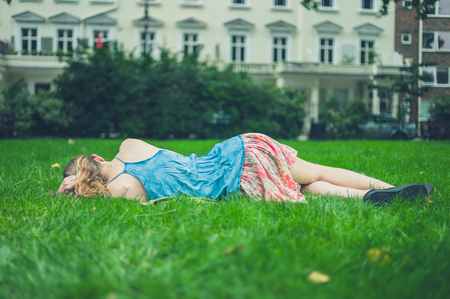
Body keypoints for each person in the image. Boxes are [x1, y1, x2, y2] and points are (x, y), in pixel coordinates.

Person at [58, 133, 433, 205]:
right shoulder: (129, 147)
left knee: (303, 189)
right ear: (98, 160)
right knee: (312, 173)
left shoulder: (122, 190)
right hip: (238, 151)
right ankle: (387, 189)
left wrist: (69, 191)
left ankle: (373, 198)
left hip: (235, 182)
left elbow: (106, 194)